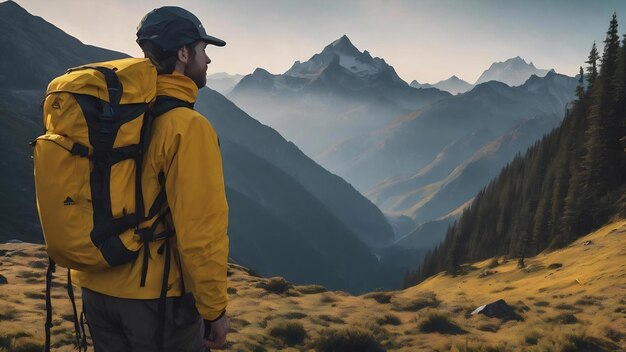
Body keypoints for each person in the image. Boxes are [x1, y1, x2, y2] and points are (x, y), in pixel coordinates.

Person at [73, 6, 230, 351]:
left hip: (97, 287)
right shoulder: (187, 127)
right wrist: (214, 308)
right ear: (183, 53)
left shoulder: (110, 116)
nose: (208, 61)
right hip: (155, 298)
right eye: (203, 50)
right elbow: (200, 230)